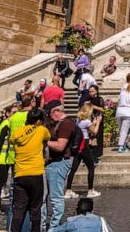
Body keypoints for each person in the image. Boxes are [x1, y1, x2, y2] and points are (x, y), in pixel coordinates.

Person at [45, 99, 81, 231]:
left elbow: (60, 146)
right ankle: (45, 225)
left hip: (59, 163)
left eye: (50, 114)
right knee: (46, 197)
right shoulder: (62, 123)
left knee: (56, 197)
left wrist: (43, 141)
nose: (49, 117)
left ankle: (54, 227)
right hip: (54, 163)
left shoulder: (66, 124)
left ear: (56, 111)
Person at [65, 102, 101, 199]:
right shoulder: (87, 122)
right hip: (84, 144)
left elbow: (86, 128)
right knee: (91, 167)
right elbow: (94, 131)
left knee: (74, 168)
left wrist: (93, 123)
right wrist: (98, 123)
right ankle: (90, 190)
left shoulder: (78, 121)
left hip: (78, 144)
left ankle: (68, 190)